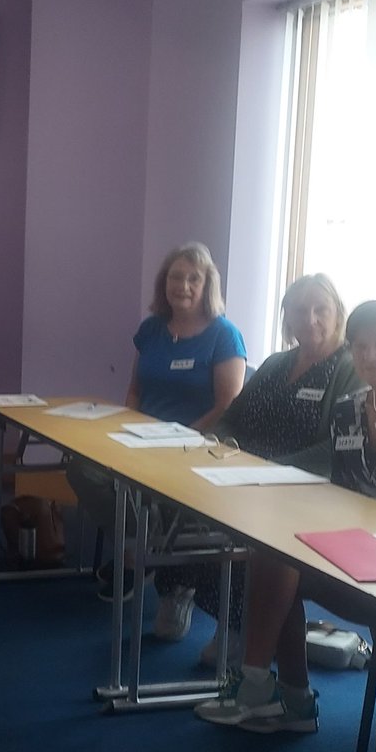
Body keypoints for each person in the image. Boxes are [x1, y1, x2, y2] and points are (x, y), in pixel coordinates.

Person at [197, 299, 376, 734]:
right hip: (360, 551)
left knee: (282, 556)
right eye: (360, 346)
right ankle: (287, 699)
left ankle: (265, 692)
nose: (369, 356)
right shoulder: (348, 409)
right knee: (275, 548)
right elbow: (343, 492)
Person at [155, 274, 363, 664]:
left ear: (339, 315)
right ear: (287, 318)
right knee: (180, 496)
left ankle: (239, 627)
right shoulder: (276, 363)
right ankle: (179, 592)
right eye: (301, 310)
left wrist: (271, 471)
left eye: (321, 309)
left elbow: (340, 446)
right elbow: (232, 417)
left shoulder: (349, 367)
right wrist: (220, 450)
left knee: (232, 526)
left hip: (300, 486)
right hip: (243, 472)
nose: (311, 319)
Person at [67, 241, 247, 612]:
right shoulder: (151, 329)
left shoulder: (224, 334)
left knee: (136, 486)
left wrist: (181, 438)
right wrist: (125, 426)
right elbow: (135, 387)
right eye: (175, 277)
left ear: (207, 285)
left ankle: (139, 559)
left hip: (195, 445)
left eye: (192, 278)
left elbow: (228, 405)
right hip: (141, 436)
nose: (182, 285)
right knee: (82, 467)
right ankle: (140, 546)